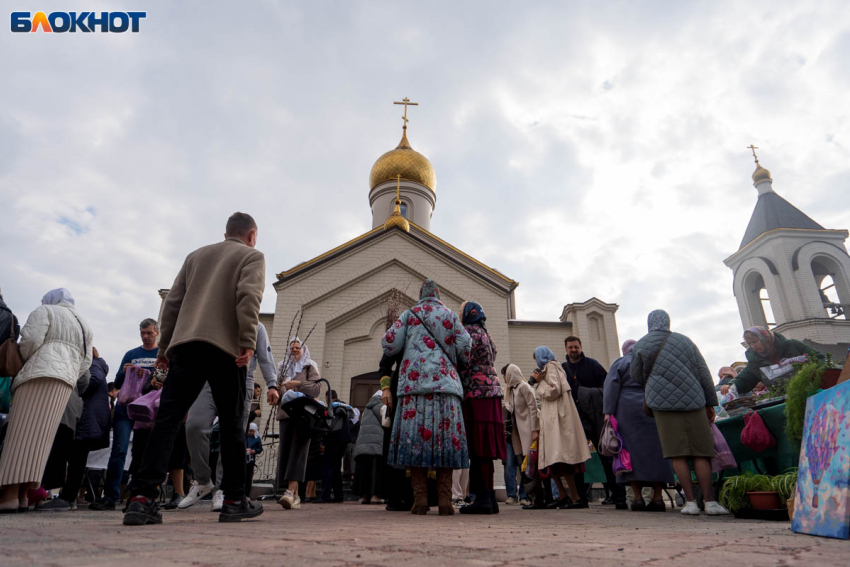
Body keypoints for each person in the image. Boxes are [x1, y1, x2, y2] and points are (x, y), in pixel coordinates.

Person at [122, 212, 277, 526]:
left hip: (186, 347)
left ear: (225, 233)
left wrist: (165, 349)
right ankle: (234, 500)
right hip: (225, 348)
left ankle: (141, 499)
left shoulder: (195, 256)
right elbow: (248, 297)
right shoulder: (252, 256)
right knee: (233, 424)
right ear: (251, 234)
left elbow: (173, 304)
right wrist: (247, 340)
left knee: (166, 421)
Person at [382, 279, 472, 516]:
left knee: (414, 444)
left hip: (414, 388)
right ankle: (444, 500)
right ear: (438, 294)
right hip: (446, 388)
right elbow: (466, 346)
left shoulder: (409, 315)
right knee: (445, 444)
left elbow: (389, 344)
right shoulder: (450, 315)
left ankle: (420, 499)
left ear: (420, 294)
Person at [0, 288, 93, 513]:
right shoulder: (84, 324)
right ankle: (23, 495)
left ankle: (9, 495)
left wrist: (27, 361)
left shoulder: (46, 310)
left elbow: (30, 341)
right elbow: (86, 361)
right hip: (65, 382)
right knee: (39, 442)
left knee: (19, 435)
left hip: (37, 376)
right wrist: (67, 371)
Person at [631, 309, 728, 516]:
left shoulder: (642, 343)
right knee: (702, 452)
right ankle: (710, 502)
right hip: (693, 401)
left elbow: (636, 376)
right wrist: (711, 402)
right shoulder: (685, 341)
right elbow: (703, 371)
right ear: (668, 322)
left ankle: (690, 502)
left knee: (677, 453)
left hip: (662, 405)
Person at [180, 321, 276, 511]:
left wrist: (272, 384)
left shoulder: (256, 325)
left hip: (241, 381)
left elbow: (265, 357)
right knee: (194, 426)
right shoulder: (215, 316)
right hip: (207, 383)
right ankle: (202, 480)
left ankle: (222, 489)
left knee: (231, 436)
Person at [90, 318, 161, 511]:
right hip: (126, 407)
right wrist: (124, 372)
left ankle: (137, 496)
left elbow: (163, 380)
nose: (145, 337)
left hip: (146, 410)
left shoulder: (161, 354)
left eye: (149, 333)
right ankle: (111, 497)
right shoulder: (131, 354)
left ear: (156, 332)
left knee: (141, 454)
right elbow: (118, 382)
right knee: (119, 450)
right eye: (143, 333)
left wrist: (147, 375)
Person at [603, 339, 674, 512]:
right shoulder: (651, 362)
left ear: (625, 349)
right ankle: (658, 498)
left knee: (630, 452)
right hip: (652, 406)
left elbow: (611, 386)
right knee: (658, 451)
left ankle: (637, 498)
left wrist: (608, 412)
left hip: (627, 410)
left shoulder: (620, 362)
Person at [37, 348, 111, 511]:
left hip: (85, 418)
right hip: (86, 418)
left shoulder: (94, 364)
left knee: (76, 458)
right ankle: (68, 497)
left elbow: (93, 381)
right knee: (76, 459)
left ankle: (67, 497)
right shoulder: (95, 365)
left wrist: (72, 378)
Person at [563, 335, 625, 508]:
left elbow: (607, 388)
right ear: (566, 349)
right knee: (577, 458)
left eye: (576, 346)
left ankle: (619, 497)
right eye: (570, 347)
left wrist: (588, 396)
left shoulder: (593, 365)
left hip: (596, 416)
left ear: (581, 346)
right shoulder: (563, 369)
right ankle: (581, 499)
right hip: (575, 419)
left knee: (606, 455)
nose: (574, 350)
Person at [457, 301, 506, 515]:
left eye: (461, 312)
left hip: (476, 395)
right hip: (492, 393)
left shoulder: (468, 333)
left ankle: (483, 499)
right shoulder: (486, 334)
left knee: (478, 446)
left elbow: (461, 361)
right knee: (485, 447)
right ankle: (489, 498)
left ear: (468, 314)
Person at [530, 346, 590, 509]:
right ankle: (563, 495)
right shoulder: (550, 368)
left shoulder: (551, 367)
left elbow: (554, 390)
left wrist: (539, 382)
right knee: (553, 460)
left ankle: (575, 497)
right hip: (553, 418)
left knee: (562, 459)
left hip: (558, 418)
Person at [276, 336, 321, 510]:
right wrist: (277, 391)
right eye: (292, 347)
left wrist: (298, 384)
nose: (295, 350)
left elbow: (316, 389)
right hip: (286, 414)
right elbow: (276, 391)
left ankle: (290, 492)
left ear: (303, 350)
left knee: (298, 451)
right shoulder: (282, 367)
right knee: (286, 451)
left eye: (298, 347)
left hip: (303, 416)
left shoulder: (310, 366)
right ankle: (294, 495)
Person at [720, 327, 823, 396]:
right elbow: (745, 379)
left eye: (755, 342)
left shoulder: (793, 346)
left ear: (766, 338)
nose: (753, 346)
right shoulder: (755, 362)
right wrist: (730, 385)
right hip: (783, 399)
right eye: (749, 343)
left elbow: (819, 359)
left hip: (812, 392)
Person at [377, 351, 412, 511]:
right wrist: (385, 388)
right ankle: (396, 495)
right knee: (396, 442)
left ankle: (417, 494)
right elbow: (385, 365)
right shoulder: (401, 332)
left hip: (422, 393)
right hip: (400, 390)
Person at [504, 364, 537, 507]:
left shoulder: (523, 387)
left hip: (525, 431)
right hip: (512, 433)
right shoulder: (509, 390)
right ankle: (512, 495)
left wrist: (535, 429)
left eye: (505, 374)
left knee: (524, 464)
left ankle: (525, 494)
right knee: (510, 464)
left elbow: (533, 407)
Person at [353, 390, 385, 504]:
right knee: (375, 471)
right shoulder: (380, 405)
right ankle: (375, 496)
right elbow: (385, 420)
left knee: (365, 471)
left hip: (363, 445)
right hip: (375, 444)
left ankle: (365, 496)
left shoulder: (367, 408)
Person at [245, 423, 263, 497]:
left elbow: (260, 449)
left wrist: (254, 451)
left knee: (248, 476)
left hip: (251, 459)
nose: (250, 433)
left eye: (252, 431)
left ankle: (247, 494)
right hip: (244, 458)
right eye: (249, 431)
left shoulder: (257, 438)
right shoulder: (244, 437)